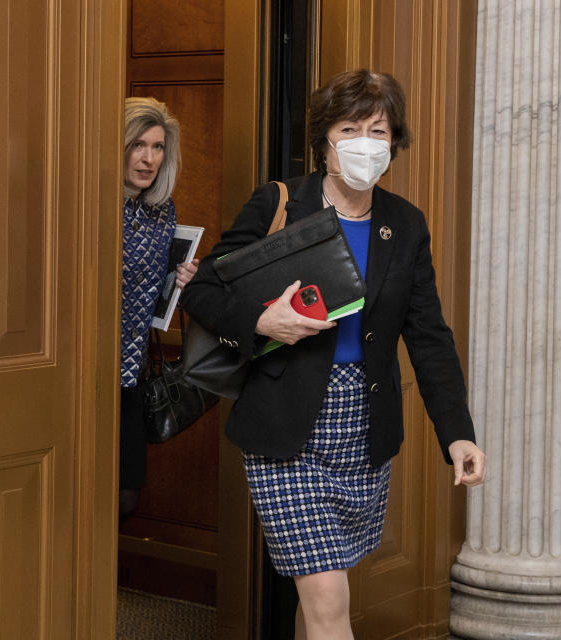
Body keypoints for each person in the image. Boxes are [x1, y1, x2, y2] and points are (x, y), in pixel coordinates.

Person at [180, 69, 486, 639]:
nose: (366, 143)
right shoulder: (280, 202)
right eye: (351, 128)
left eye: (378, 130)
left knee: (321, 593)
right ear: (324, 140)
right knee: (326, 594)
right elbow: (202, 290)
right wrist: (259, 319)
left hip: (363, 429)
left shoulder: (406, 224)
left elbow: (428, 336)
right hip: (286, 426)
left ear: (394, 142)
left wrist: (457, 432)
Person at [118, 97, 198, 524]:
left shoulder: (161, 212)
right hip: (83, 372)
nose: (148, 158)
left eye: (157, 146)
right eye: (137, 145)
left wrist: (178, 279)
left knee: (126, 497)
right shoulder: (88, 206)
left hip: (130, 373)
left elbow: (150, 290)